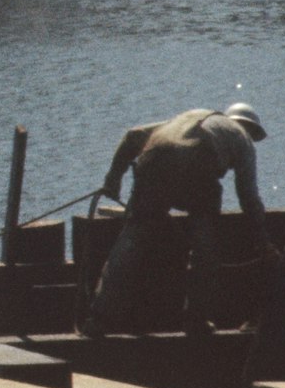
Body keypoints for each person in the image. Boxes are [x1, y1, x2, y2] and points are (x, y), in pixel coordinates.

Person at [87, 102, 272, 336]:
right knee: (206, 245)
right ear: (251, 130)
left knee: (133, 238)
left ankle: (98, 319)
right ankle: (196, 321)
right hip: (199, 160)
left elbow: (132, 136)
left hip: (153, 159)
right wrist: (262, 237)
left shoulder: (193, 116)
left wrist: (113, 180)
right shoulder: (242, 138)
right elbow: (248, 196)